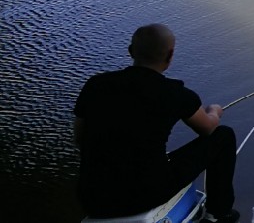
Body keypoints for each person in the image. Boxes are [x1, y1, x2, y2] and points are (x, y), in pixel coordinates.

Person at [73, 23, 239, 222]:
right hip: (145, 194)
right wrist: (214, 111)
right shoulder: (175, 93)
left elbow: (80, 138)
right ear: (170, 55)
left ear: (131, 51)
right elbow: (208, 129)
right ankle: (219, 214)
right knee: (224, 136)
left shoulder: (95, 85)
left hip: (91, 196)